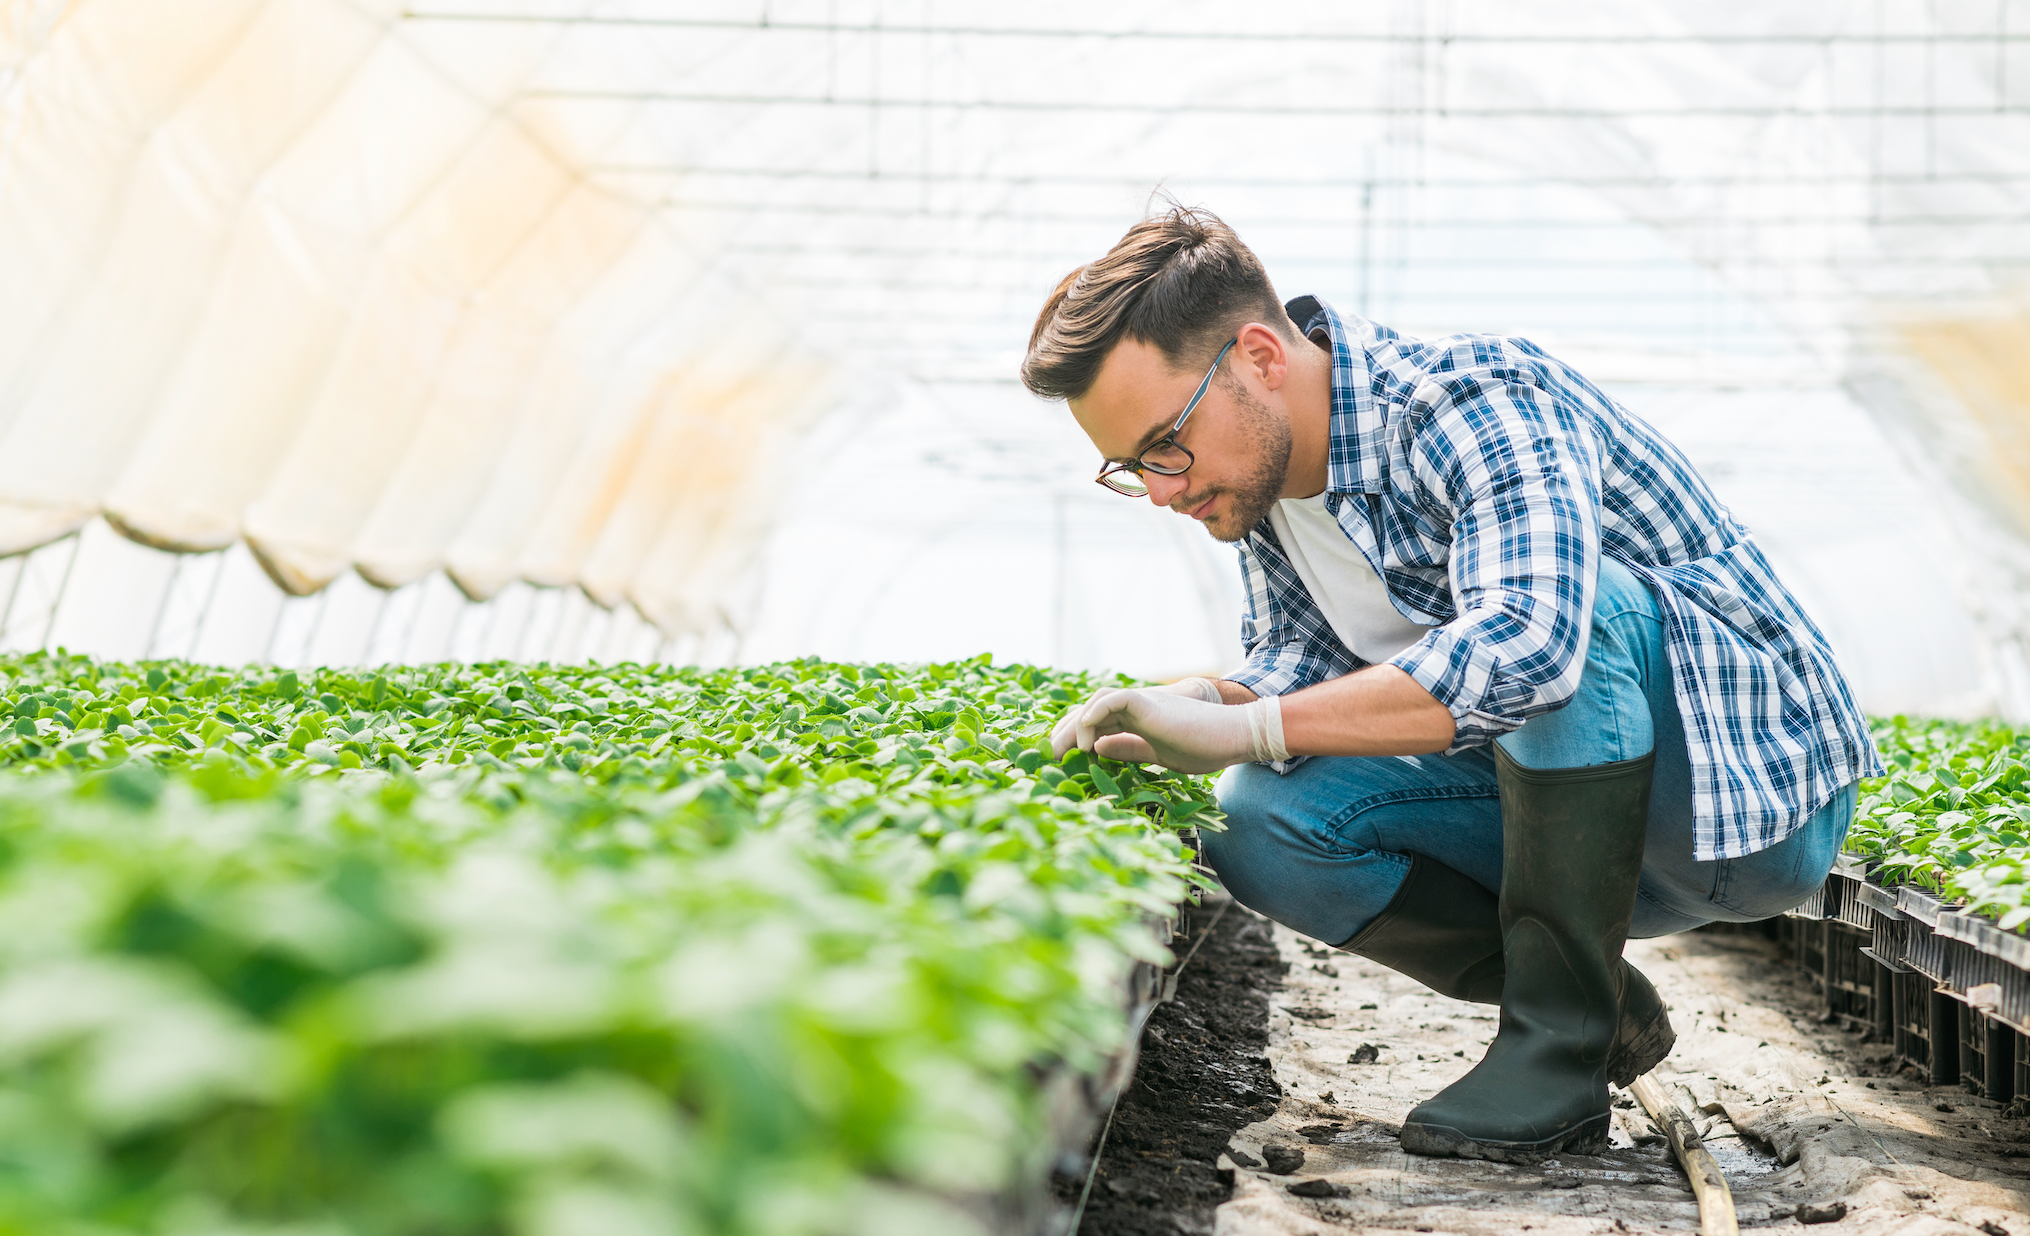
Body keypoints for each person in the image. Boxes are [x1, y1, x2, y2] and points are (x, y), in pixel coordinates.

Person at [1024, 204, 1879, 1163]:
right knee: (1257, 818)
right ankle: (1591, 1007)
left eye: (1166, 444)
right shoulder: (1265, 495)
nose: (1167, 490)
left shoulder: (1469, 398)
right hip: (1578, 829)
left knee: (1565, 615)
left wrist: (1248, 725)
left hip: (1742, 802)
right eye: (1133, 468)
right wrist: (1208, 707)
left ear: (1260, 357)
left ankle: (1555, 1053)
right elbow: (1298, 678)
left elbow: (1533, 647)